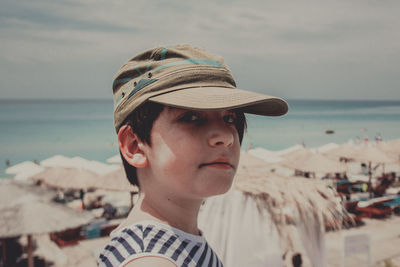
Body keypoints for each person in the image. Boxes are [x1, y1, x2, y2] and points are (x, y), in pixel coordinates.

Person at [97, 44, 288, 267]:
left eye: (230, 119)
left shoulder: (173, 241)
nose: (226, 136)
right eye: (192, 118)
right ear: (135, 146)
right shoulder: (150, 260)